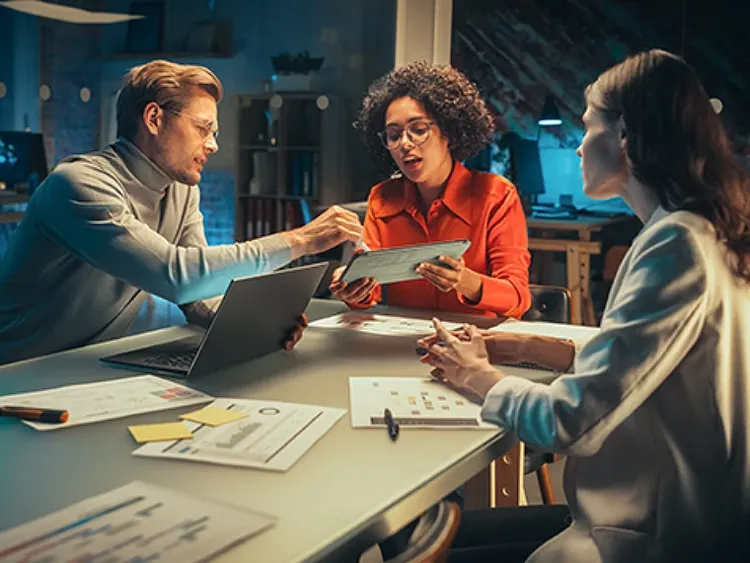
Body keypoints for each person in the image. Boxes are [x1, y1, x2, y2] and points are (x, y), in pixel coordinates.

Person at [419, 49, 750, 562]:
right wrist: (528, 344)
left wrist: (474, 375)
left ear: (625, 138)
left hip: (654, 535)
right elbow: (639, 358)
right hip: (651, 511)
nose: (577, 147)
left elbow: (570, 421)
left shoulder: (676, 244)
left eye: (588, 126)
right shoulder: (696, 228)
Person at [0, 60, 363, 365]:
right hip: (17, 375)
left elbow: (196, 295)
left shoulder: (181, 189)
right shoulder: (77, 184)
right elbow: (176, 275)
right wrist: (301, 239)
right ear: (154, 119)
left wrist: (253, 323)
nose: (213, 144)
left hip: (88, 370)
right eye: (204, 128)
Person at [329, 61, 531, 319]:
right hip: (405, 345)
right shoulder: (382, 199)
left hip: (477, 347)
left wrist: (465, 281)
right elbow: (370, 293)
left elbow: (518, 298)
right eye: (394, 135)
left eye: (419, 130)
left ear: (449, 131)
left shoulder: (496, 195)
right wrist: (352, 287)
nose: (405, 143)